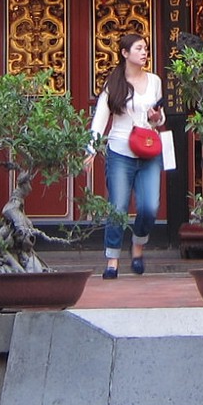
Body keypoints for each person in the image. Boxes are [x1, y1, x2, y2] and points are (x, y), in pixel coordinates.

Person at [89, 32, 166, 278]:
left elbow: (159, 118)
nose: (144, 53)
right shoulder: (114, 83)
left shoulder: (154, 80)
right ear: (125, 53)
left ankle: (138, 244)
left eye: (145, 48)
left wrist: (157, 119)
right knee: (118, 207)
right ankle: (112, 259)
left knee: (149, 206)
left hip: (148, 148)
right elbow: (100, 118)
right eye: (138, 48)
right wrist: (91, 149)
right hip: (120, 150)